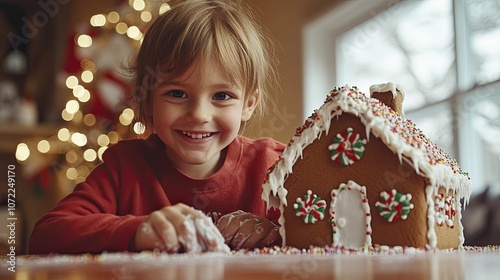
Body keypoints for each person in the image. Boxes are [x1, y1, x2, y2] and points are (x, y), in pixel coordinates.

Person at [29, 0, 285, 254]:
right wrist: (139, 231)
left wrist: (279, 232)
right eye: (177, 93)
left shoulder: (275, 167)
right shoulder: (125, 168)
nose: (198, 115)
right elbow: (46, 235)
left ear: (249, 103)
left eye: (221, 96)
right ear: (147, 99)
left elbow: (322, 229)